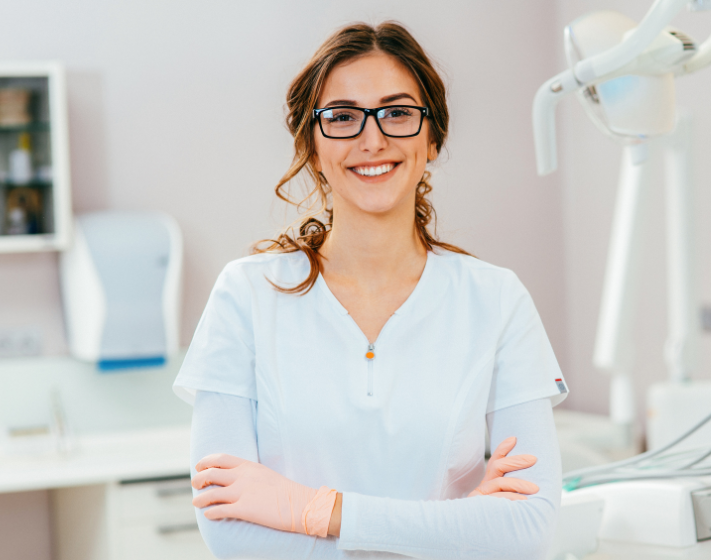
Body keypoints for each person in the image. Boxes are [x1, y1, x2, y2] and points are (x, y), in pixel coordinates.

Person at [173, 21, 568, 560]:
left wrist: (313, 510)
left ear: (433, 138)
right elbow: (229, 532)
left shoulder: (496, 301)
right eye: (341, 117)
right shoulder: (246, 295)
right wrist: (459, 528)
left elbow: (529, 530)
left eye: (398, 112)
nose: (372, 138)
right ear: (312, 147)